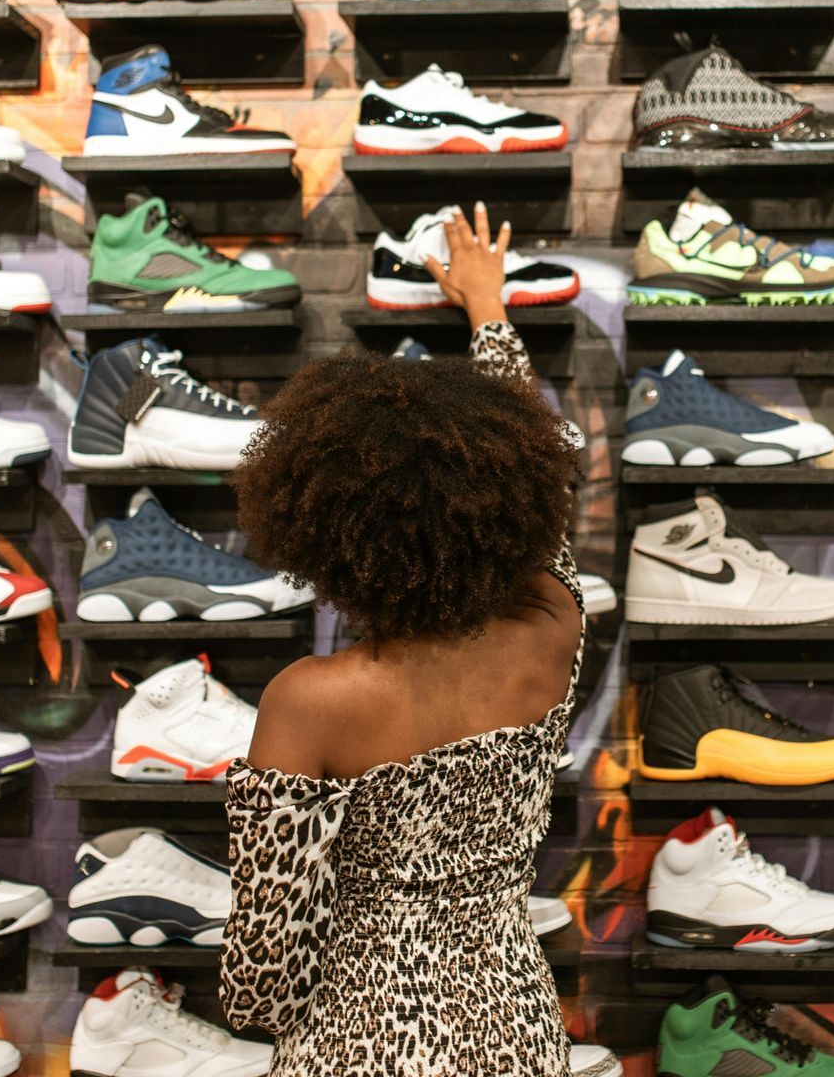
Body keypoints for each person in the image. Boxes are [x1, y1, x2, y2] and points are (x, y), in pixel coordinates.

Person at [222, 205, 593, 1076]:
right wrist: (488, 311)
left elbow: (265, 962)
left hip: (357, 1041)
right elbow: (548, 512)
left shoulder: (311, 700)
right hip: (514, 1027)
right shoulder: (553, 627)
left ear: (322, 533)